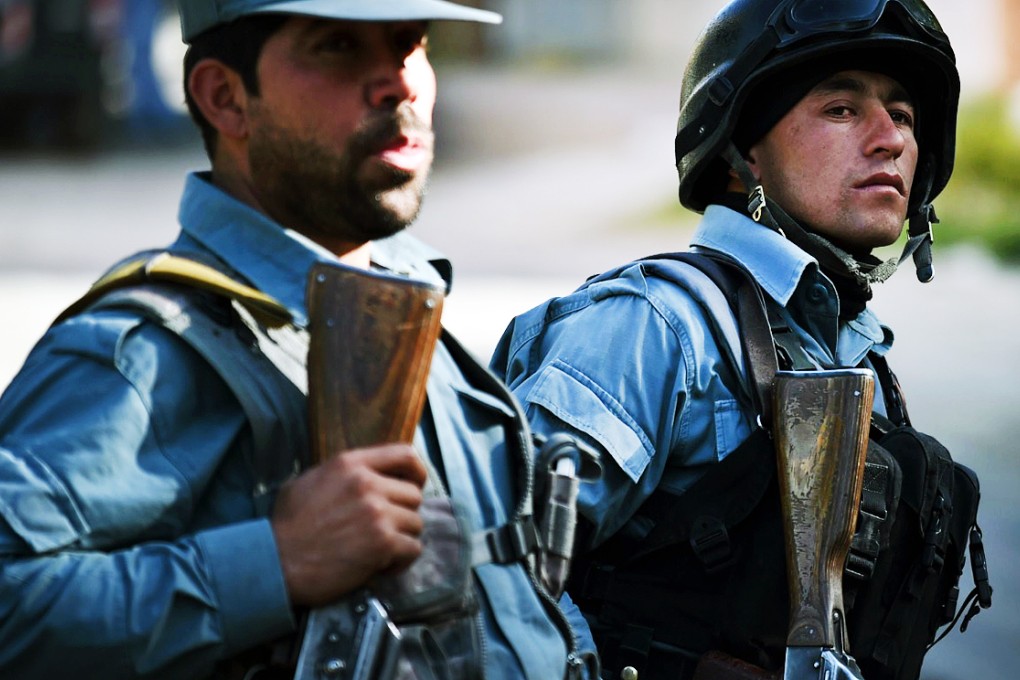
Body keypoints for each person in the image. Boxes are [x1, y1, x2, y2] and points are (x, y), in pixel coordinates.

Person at [0, 1, 592, 678]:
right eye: (337, 46)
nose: (396, 82)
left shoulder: (409, 311)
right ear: (225, 98)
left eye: (409, 42)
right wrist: (275, 562)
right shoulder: (143, 354)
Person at [492, 1, 986, 678]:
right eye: (841, 108)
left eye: (902, 115)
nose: (889, 138)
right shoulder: (655, 328)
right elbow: (485, 575)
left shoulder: (859, 355)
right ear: (739, 151)